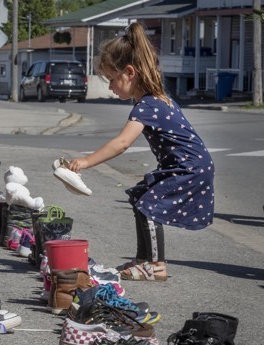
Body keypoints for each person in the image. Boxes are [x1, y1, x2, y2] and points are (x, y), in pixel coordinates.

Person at [69, 22, 215, 281]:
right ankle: (143, 259)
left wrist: (85, 162)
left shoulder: (147, 105)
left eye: (112, 80)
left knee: (149, 205)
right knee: (141, 197)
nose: (111, 88)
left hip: (188, 167)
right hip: (188, 164)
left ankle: (155, 266)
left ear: (129, 72)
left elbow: (122, 143)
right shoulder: (154, 98)